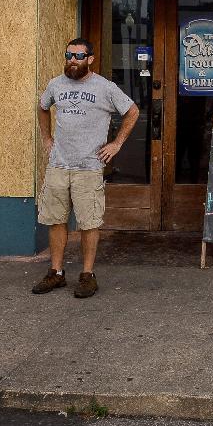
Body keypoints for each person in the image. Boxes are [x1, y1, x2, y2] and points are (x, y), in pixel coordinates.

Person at [34, 37, 139, 298]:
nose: (73, 60)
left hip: (89, 167)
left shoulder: (105, 87)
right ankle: (56, 273)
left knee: (88, 223)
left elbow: (133, 111)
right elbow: (42, 107)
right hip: (58, 164)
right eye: (69, 55)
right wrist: (46, 139)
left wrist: (116, 144)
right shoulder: (55, 85)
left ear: (90, 59)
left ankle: (87, 275)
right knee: (56, 220)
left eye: (79, 56)